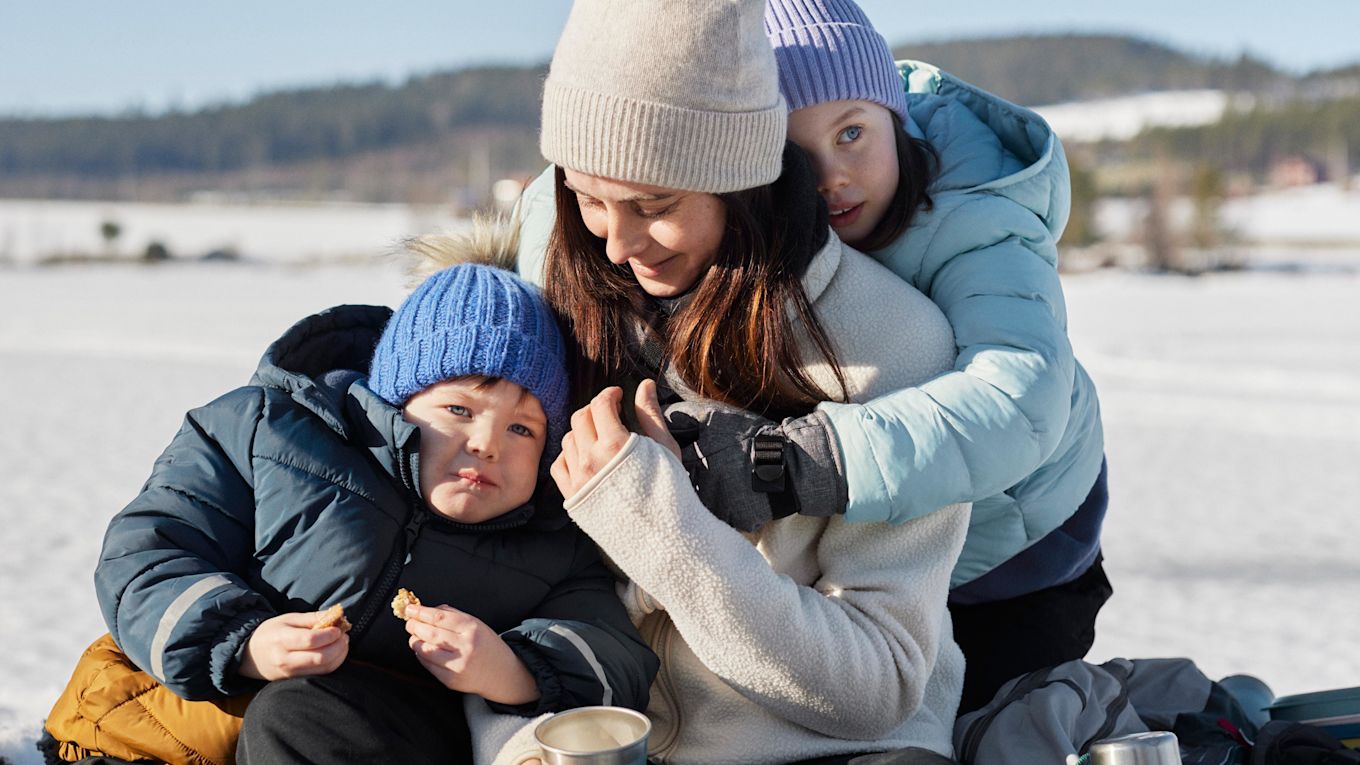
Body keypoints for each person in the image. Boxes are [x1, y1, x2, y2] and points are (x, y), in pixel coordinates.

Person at [456, 1, 969, 763]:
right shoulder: (558, 315)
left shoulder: (892, 345)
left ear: (742, 181)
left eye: (654, 205)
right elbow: (489, 573)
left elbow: (878, 684)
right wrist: (521, 743)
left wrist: (662, 524)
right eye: (590, 200)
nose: (619, 244)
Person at [86, 251, 657, 764]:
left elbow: (615, 656)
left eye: (521, 428)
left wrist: (512, 670)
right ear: (397, 400)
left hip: (395, 732)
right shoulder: (267, 432)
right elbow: (147, 554)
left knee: (296, 714)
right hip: (201, 712)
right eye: (459, 411)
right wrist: (246, 642)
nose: (487, 444)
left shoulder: (551, 533)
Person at [761, 0, 1111, 712]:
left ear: (893, 115)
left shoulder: (972, 218)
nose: (831, 176)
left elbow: (1017, 398)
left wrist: (813, 463)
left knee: (1000, 727)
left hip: (1017, 553)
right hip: (894, 549)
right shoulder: (768, 230)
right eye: (791, 156)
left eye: (851, 133)